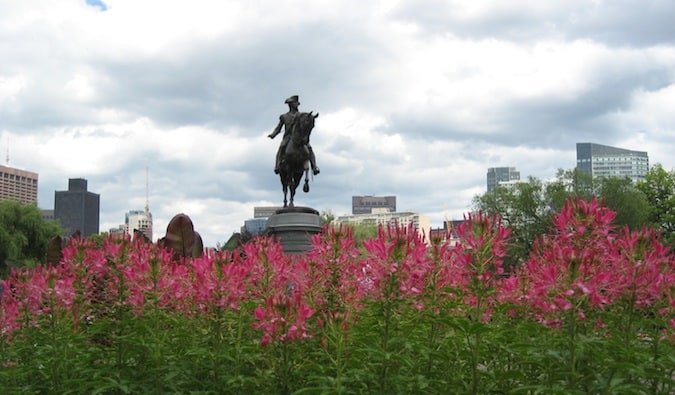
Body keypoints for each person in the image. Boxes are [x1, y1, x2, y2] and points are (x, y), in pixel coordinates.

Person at [268, 95, 319, 175]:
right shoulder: (284, 116)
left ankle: (314, 167)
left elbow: (307, 121)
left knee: (309, 148)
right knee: (282, 146)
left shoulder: (301, 115)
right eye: (295, 103)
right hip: (288, 136)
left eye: (297, 103)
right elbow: (278, 128)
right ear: (290, 104)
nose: (296, 105)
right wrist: (273, 134)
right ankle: (277, 165)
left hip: (299, 137)